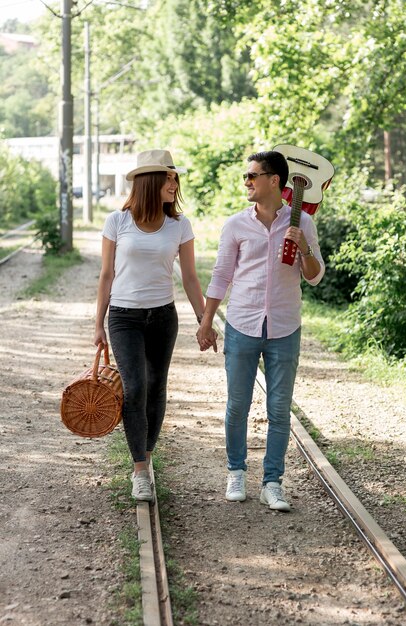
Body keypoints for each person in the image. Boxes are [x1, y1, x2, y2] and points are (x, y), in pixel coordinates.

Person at [197, 150, 325, 511]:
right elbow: (221, 274)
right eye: (246, 176)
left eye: (253, 176)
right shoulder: (236, 224)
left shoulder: (302, 223)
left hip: (285, 326)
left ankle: (272, 482)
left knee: (280, 409)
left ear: (275, 182)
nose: (247, 182)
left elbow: (315, 277)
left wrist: (303, 247)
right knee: (237, 405)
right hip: (242, 324)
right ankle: (236, 471)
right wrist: (207, 321)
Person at [94, 149, 212, 502]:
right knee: (134, 388)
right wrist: (97, 324)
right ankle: (140, 471)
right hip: (124, 317)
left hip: (163, 316)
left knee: (156, 387)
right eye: (169, 178)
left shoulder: (180, 225)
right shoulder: (117, 221)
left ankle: (146, 453)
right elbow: (106, 275)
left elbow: (190, 278)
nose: (175, 184)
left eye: (175, 178)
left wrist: (204, 320)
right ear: (151, 182)